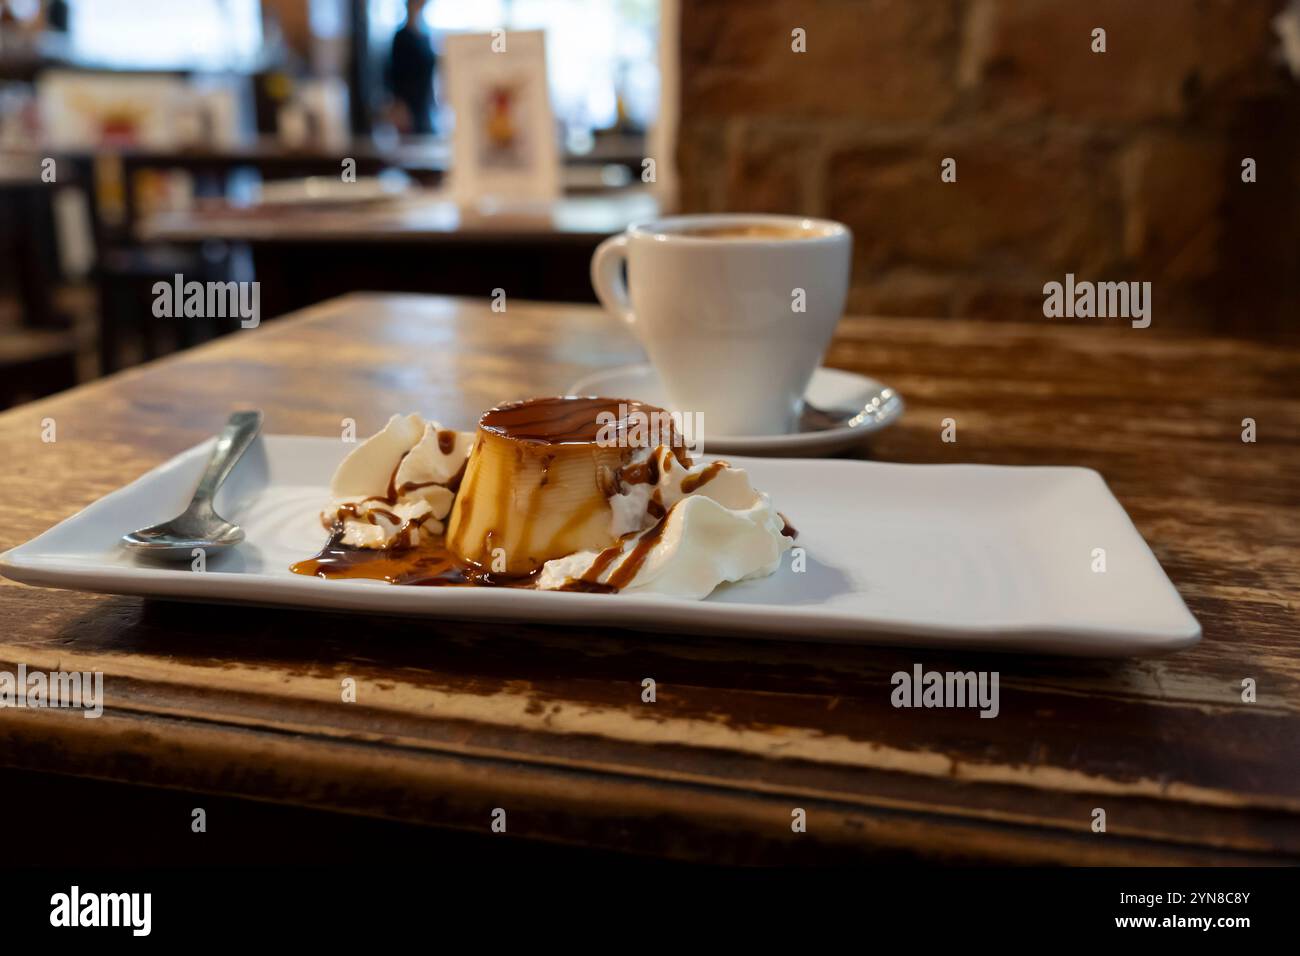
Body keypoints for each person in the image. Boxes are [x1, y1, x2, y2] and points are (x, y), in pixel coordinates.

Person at [387, 0, 436, 134]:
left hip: (425, 104)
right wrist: (399, 106)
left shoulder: (425, 35)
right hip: (408, 106)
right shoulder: (401, 37)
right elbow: (394, 75)